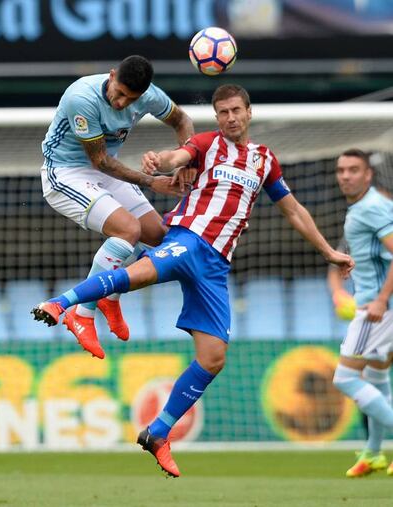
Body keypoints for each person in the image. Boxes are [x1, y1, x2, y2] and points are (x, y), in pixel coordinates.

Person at [32, 84, 354, 477]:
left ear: (249, 113)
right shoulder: (205, 144)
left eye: (236, 111)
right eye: (222, 112)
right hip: (189, 238)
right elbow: (177, 155)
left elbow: (293, 210)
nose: (230, 118)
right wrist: (161, 160)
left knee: (213, 357)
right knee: (139, 273)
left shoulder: (265, 160)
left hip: (217, 265)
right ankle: (62, 304)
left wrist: (328, 251)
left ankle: (158, 433)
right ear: (217, 117)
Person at [41, 55, 194, 358]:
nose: (122, 102)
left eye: (131, 98)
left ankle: (109, 296)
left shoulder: (148, 95)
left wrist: (186, 159)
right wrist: (152, 182)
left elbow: (182, 121)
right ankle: (83, 314)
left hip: (103, 173)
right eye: (119, 92)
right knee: (128, 230)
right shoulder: (81, 98)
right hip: (66, 173)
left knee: (161, 236)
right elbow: (100, 161)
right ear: (111, 76)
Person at [330, 149, 393, 478]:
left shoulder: (372, 208)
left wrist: (382, 299)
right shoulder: (364, 209)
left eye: (354, 170)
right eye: (341, 170)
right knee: (377, 376)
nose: (345, 176)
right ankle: (373, 453)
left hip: (376, 310)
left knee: (345, 378)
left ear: (368, 174)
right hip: (377, 305)